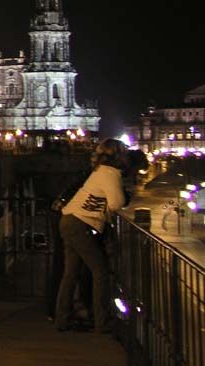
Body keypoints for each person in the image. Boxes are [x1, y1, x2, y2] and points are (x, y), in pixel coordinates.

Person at [54, 138, 128, 333]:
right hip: (81, 224)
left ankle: (61, 319)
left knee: (70, 274)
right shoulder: (111, 173)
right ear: (118, 156)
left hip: (68, 220)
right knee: (101, 272)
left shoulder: (99, 171)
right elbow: (116, 203)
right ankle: (102, 322)